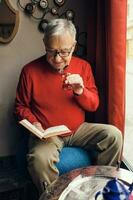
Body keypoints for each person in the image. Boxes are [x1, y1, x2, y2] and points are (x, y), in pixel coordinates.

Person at [14, 18, 123, 195]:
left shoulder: (84, 67)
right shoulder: (30, 71)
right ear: (44, 43)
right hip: (48, 135)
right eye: (51, 51)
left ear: (73, 45)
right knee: (39, 159)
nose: (57, 59)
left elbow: (94, 105)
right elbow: (20, 107)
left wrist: (81, 91)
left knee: (113, 135)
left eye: (64, 52)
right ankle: (53, 196)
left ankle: (101, 188)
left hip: (79, 129)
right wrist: (34, 123)